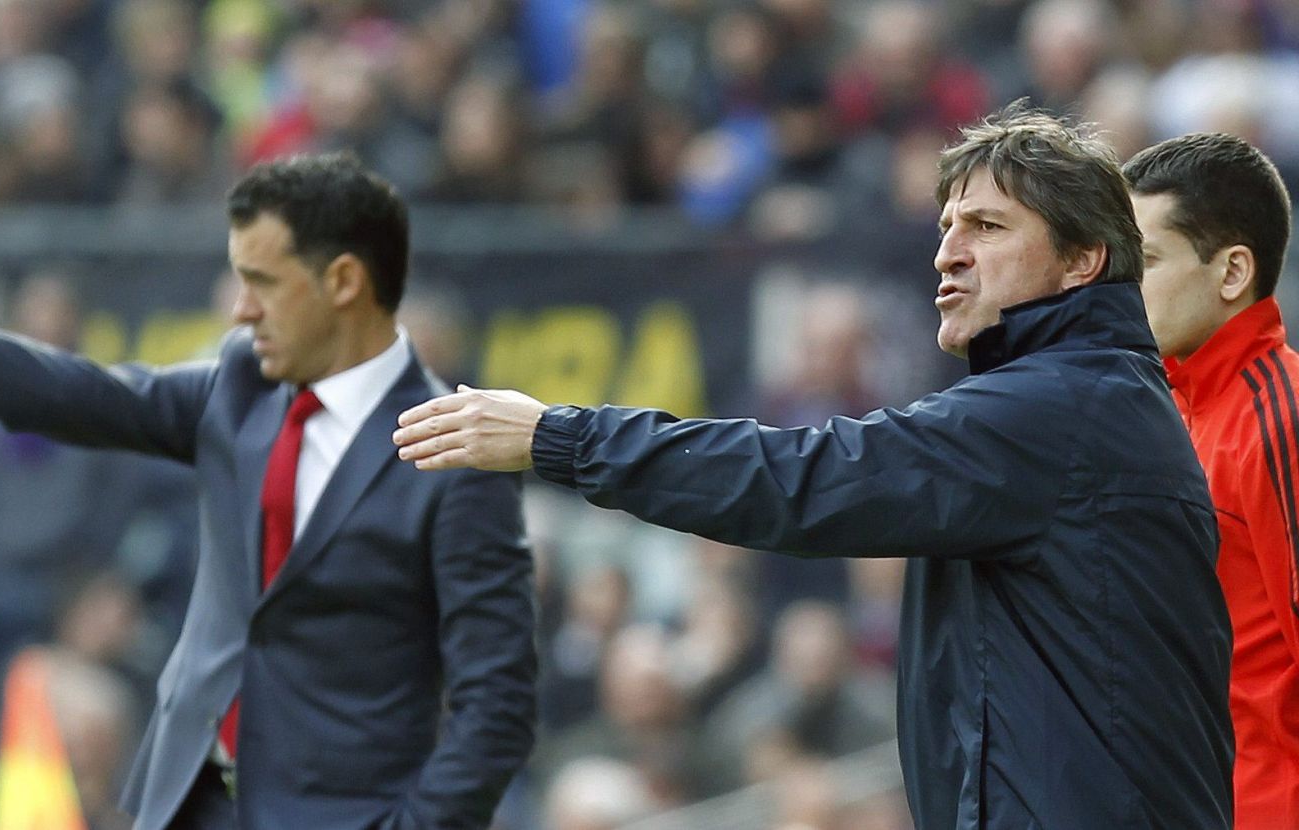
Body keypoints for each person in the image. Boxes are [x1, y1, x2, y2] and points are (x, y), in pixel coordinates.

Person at [394, 103, 1235, 828]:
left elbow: (802, 475)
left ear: (1083, 261)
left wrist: (559, 437)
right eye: (946, 226)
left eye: (987, 226)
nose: (947, 252)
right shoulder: (1084, 397)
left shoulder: (1058, 411)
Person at [0, 153, 537, 830]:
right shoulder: (240, 395)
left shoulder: (460, 453)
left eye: (263, 282)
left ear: (345, 283)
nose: (241, 311)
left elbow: (495, 703)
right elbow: (58, 389)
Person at [1124, 132, 1299, 827]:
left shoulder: (1283, 417)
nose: (1121, 288)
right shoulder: (1170, 411)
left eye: (1146, 261)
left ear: (1231, 273)